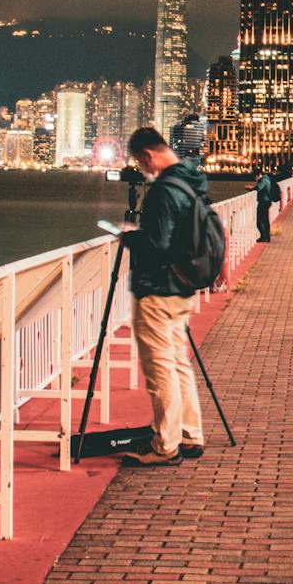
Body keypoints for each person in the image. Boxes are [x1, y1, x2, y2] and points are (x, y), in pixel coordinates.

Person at [118, 126, 208, 467]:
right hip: (183, 287)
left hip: (157, 289)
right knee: (177, 362)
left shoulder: (163, 190)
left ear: (148, 155)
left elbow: (158, 244)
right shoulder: (191, 182)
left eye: (142, 165)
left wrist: (130, 237)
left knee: (160, 369)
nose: (143, 171)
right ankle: (189, 434)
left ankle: (165, 445)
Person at [254, 167, 277, 242]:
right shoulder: (267, 179)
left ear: (258, 175)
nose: (255, 178)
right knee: (265, 220)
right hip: (267, 201)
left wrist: (250, 188)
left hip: (264, 202)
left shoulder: (263, 180)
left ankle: (264, 237)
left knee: (259, 221)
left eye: (255, 176)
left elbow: (258, 188)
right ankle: (267, 237)